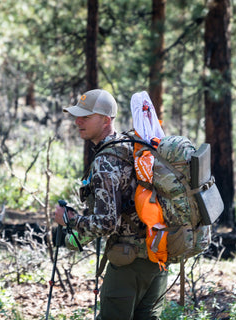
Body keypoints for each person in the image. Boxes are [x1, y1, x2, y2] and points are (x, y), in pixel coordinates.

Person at [54, 89, 168, 320]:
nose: (78, 121)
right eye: (78, 116)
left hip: (128, 263)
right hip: (157, 256)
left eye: (85, 117)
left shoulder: (106, 161)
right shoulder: (132, 146)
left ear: (106, 119)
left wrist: (70, 220)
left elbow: (107, 223)